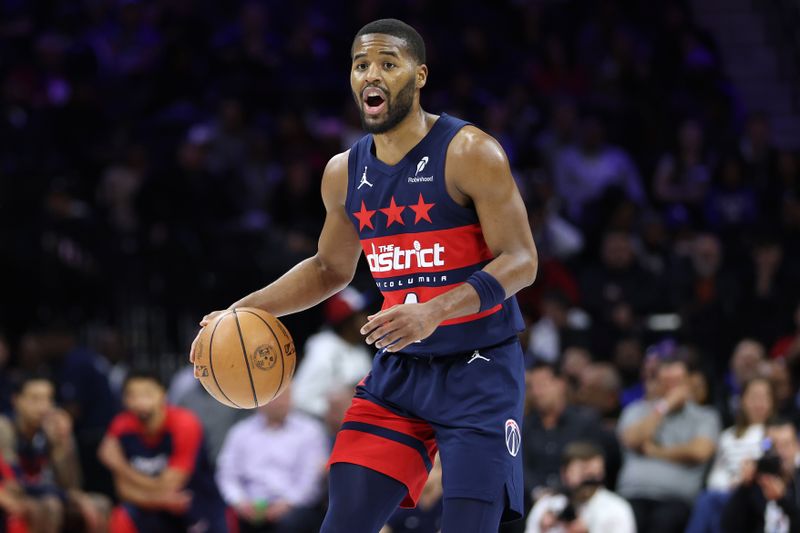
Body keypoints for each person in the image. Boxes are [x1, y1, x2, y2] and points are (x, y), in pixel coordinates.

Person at [189, 18, 538, 533]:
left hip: (479, 371)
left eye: (387, 64)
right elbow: (330, 268)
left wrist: (434, 312)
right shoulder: (343, 172)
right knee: (344, 522)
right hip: (399, 372)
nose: (371, 75)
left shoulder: (470, 152)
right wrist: (244, 311)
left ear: (419, 76)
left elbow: (522, 260)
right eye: (361, 65)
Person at [97, 369, 227, 533]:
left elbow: (171, 485)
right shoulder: (121, 427)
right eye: (132, 395)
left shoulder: (185, 424)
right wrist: (160, 499)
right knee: (121, 516)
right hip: (152, 510)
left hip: (195, 506)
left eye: (147, 394)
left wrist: (120, 466)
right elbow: (122, 491)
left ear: (163, 394)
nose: (140, 402)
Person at [616, 356, 721, 533]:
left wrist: (656, 451)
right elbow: (631, 439)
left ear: (689, 381)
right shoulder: (636, 410)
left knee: (663, 523)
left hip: (675, 500)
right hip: (631, 494)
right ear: (656, 382)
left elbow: (700, 451)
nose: (673, 387)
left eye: (678, 381)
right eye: (667, 381)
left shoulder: (705, 416)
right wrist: (664, 406)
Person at [0, 374, 109, 533]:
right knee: (51, 505)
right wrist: (67, 496)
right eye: (35, 399)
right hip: (16, 495)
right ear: (16, 400)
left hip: (46, 493)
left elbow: (72, 483)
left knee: (101, 504)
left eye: (47, 399)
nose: (42, 407)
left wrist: (61, 446)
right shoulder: (5, 428)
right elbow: (15, 482)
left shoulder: (53, 429)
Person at [216, 385, 329, 533]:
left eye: (284, 396)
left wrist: (286, 504)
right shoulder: (240, 432)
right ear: (260, 399)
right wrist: (239, 501)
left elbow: (310, 479)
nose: (279, 402)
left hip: (293, 507)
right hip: (248, 506)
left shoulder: (310, 431)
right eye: (274, 396)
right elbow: (227, 474)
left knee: (290, 523)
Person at [686, 377, 774, 533]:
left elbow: (771, 467)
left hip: (754, 493)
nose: (758, 403)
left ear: (772, 402)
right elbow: (717, 471)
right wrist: (726, 485)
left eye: (764, 397)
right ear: (742, 400)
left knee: (710, 502)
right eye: (753, 397)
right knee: (708, 500)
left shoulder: (774, 434)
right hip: (724, 492)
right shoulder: (727, 436)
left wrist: (742, 482)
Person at [292, 287, 372, 419]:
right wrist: (336, 410)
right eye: (361, 315)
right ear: (347, 322)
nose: (368, 318)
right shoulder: (324, 349)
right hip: (318, 427)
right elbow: (301, 398)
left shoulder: (359, 349)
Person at [524, 441, 635, 533]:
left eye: (594, 475)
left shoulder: (616, 508)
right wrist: (542, 529)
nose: (589, 481)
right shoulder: (547, 504)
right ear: (564, 473)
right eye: (583, 473)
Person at [721, 418, 800, 532]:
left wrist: (782, 500)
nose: (780, 452)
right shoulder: (758, 481)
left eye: (786, 444)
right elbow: (729, 526)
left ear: (797, 446)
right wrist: (744, 488)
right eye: (774, 445)